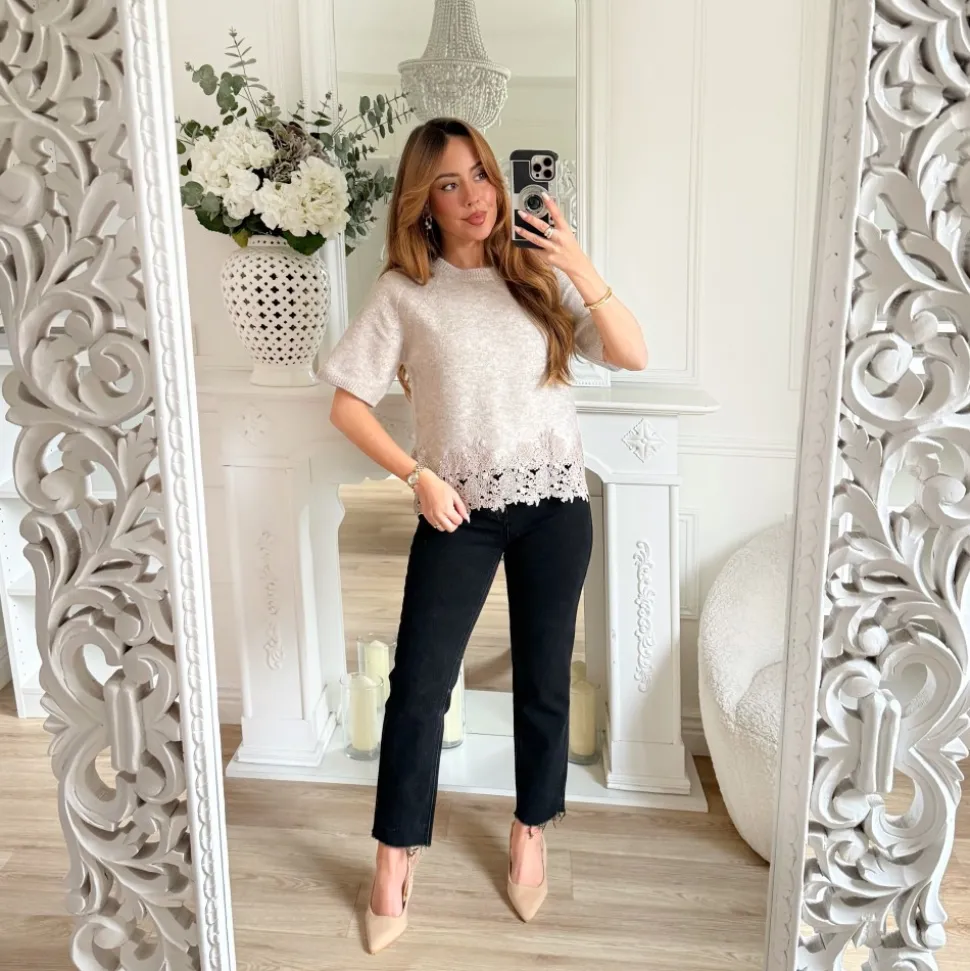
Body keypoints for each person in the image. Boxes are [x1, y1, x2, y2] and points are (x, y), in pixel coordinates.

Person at [320, 117, 648, 953]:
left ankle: (530, 827)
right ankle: (394, 853)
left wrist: (577, 264)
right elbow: (348, 405)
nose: (474, 196)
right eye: (449, 183)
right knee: (418, 686)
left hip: (556, 504)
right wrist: (416, 476)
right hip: (457, 509)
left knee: (544, 679)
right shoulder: (406, 292)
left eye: (481, 175)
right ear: (422, 203)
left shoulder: (536, 275)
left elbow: (633, 353)